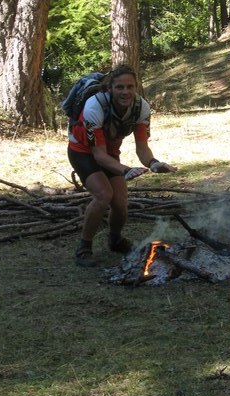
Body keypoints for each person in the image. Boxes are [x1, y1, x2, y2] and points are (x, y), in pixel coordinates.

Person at [67, 64, 177, 267]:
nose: (125, 92)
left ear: (136, 87)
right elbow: (98, 156)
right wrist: (126, 170)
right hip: (83, 152)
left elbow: (142, 149)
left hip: (109, 153)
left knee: (120, 203)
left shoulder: (141, 107)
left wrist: (154, 163)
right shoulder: (95, 106)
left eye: (130, 87)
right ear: (110, 88)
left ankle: (115, 240)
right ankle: (84, 248)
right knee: (103, 196)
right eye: (119, 87)